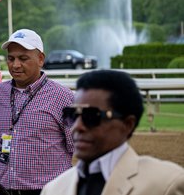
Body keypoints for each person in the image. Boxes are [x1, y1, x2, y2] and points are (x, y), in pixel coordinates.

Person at [0, 28, 75, 195]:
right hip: (5, 190)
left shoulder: (62, 97)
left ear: (41, 59)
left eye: (23, 58)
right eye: (11, 59)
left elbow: (78, 146)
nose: (15, 65)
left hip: (48, 190)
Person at [41, 70, 184, 195]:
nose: (77, 127)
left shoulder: (167, 184)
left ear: (127, 124)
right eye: (73, 114)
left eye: (91, 116)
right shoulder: (54, 189)